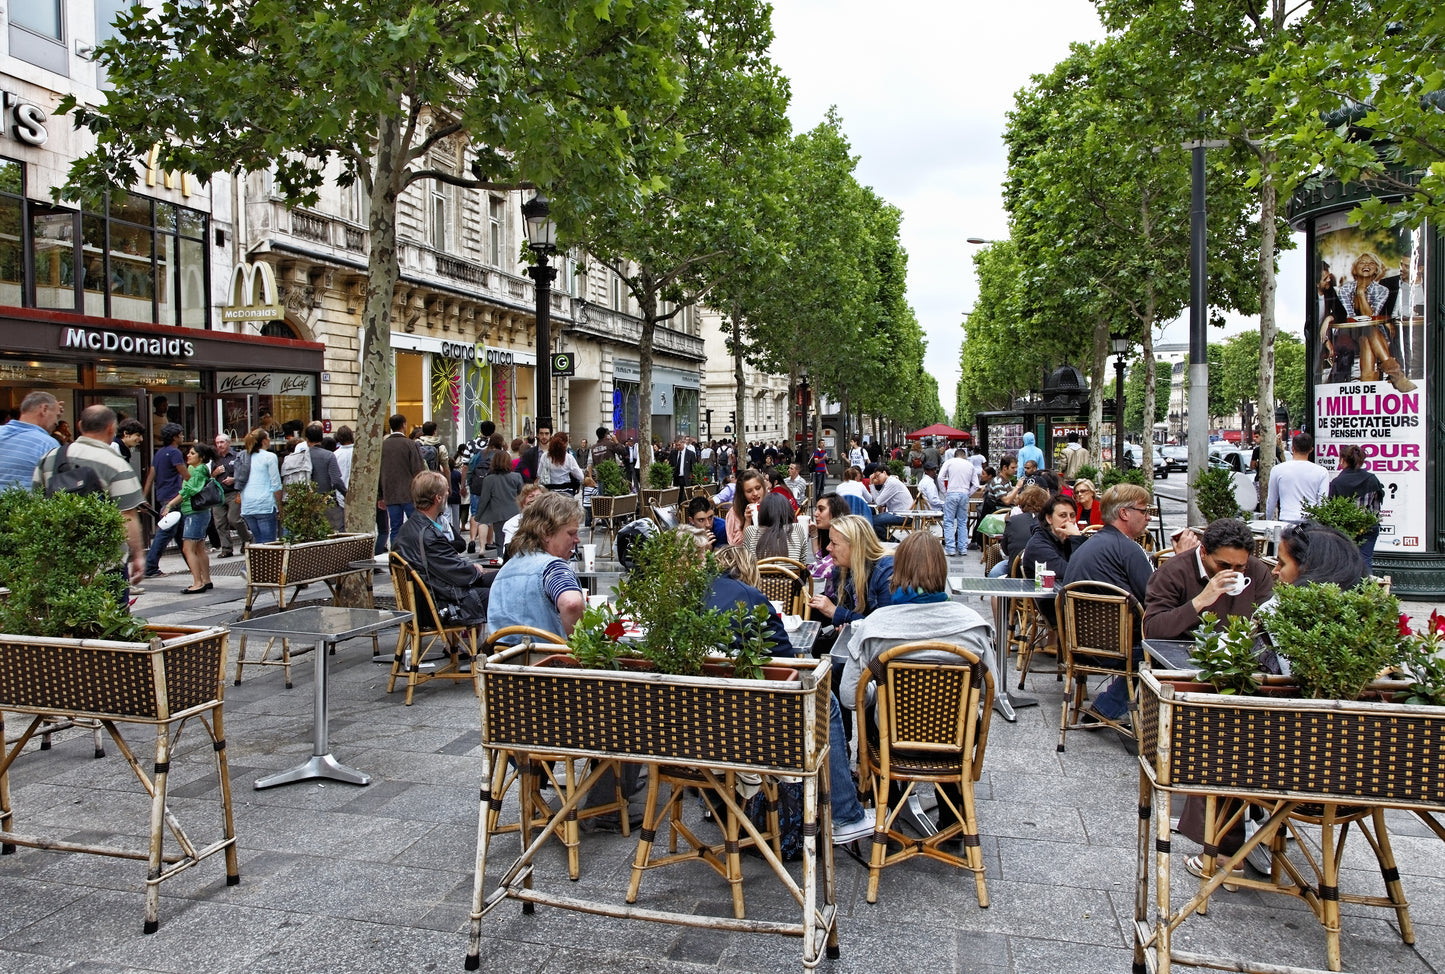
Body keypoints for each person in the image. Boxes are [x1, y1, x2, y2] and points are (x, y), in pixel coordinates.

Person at [839, 532, 994, 838]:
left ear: (897, 570)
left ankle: (891, 815)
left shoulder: (876, 626)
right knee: (960, 717)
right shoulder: (973, 625)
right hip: (955, 740)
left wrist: (879, 689)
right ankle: (953, 821)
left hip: (892, 740)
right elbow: (991, 691)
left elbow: (848, 695)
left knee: (876, 715)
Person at [1058, 483, 1155, 725]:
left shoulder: (1090, 543)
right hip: (1116, 651)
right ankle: (1107, 708)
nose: (1148, 517)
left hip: (1076, 645)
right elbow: (1154, 600)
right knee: (1164, 651)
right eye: (1144, 511)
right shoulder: (1130, 549)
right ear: (1124, 513)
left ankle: (1106, 707)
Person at [33, 405, 146, 590]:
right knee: (110, 615)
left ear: (79, 425)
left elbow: (36, 504)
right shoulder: (117, 463)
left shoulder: (50, 457)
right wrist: (138, 555)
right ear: (111, 428)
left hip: (59, 558)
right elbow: (127, 515)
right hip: (106, 561)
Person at [395, 470, 496, 631]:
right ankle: (504, 644)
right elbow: (456, 572)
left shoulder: (411, 526)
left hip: (431, 594)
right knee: (505, 592)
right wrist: (475, 570)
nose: (449, 493)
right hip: (439, 604)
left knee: (503, 577)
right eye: (446, 490)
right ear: (438, 498)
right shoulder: (428, 534)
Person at [1142, 518, 1274, 641]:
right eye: (1223, 565)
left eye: (1240, 567)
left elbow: (1269, 621)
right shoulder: (1173, 572)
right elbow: (1152, 629)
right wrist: (1200, 601)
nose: (1232, 572)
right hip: (1188, 654)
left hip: (1241, 655)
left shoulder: (1256, 570)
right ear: (1203, 553)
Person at [488, 491, 586, 637]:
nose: (577, 540)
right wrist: (580, 645)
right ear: (546, 533)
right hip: (546, 657)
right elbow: (572, 603)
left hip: (503, 656)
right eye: (571, 533)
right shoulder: (553, 567)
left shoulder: (505, 570)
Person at [1019, 493, 1088, 627]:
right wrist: (1076, 538)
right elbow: (1072, 573)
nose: (1069, 521)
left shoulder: (1064, 539)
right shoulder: (1039, 545)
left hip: (1072, 600)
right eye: (1063, 516)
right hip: (1056, 607)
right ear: (1049, 518)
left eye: (1072, 516)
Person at [707, 543, 791, 653]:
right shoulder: (750, 595)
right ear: (749, 568)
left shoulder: (693, 589)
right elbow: (783, 653)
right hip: (735, 667)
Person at [161, 443, 217, 594]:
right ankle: (206, 580)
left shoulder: (197, 470)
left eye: (192, 453)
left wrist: (170, 505)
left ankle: (198, 583)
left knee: (188, 548)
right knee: (199, 548)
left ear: (201, 457)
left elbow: (188, 490)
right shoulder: (201, 469)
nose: (188, 455)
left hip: (195, 513)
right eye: (189, 453)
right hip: (200, 512)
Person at [1328, 444, 1385, 573]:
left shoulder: (1338, 482)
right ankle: (1365, 591)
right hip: (1368, 528)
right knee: (1365, 562)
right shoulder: (1372, 479)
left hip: (1345, 530)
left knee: (1345, 563)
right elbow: (1376, 508)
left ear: (1342, 460)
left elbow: (1332, 511)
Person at [142, 423, 188, 577]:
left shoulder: (159, 453)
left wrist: (143, 497)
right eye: (180, 434)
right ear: (175, 437)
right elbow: (185, 474)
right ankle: (150, 567)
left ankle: (192, 563)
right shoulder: (175, 453)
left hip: (163, 496)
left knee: (181, 534)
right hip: (174, 498)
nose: (182, 437)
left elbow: (150, 476)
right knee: (165, 533)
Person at [0, 391, 61, 490]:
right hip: (24, 503)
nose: (56, 422)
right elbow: (55, 488)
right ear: (44, 409)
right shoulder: (47, 444)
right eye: (57, 416)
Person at [1264, 432, 1331, 522]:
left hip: (1286, 518)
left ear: (1292, 448)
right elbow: (1323, 502)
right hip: (1310, 521)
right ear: (1311, 450)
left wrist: (1268, 520)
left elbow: (1271, 500)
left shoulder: (1277, 469)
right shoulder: (1322, 472)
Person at [381, 413, 424, 549]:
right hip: (409, 493)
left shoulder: (382, 446)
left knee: (395, 528)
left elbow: (378, 473)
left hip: (390, 493)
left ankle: (396, 555)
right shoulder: (410, 444)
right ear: (404, 425)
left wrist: (380, 495)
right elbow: (418, 470)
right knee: (415, 526)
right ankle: (414, 552)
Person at [991, 485, 1050, 578]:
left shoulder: (1012, 520)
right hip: (1044, 571)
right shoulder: (1050, 522)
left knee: (995, 572)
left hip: (1016, 573)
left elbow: (1005, 552)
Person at [473, 445, 523, 556]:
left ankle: (501, 559)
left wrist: (478, 516)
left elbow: (484, 500)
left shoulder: (489, 480)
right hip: (515, 512)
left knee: (500, 541)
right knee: (515, 539)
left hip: (498, 514)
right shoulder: (517, 477)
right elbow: (521, 495)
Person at [300, 423, 348, 532]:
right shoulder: (329, 455)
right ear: (321, 438)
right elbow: (336, 480)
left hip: (306, 501)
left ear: (306, 439)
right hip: (326, 500)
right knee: (335, 531)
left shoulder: (300, 455)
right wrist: (346, 493)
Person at [239, 427, 283, 544]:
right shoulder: (270, 457)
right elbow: (276, 484)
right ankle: (269, 563)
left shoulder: (245, 457)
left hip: (248, 505)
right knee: (269, 543)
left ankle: (258, 562)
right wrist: (280, 506)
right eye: (268, 438)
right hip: (265, 503)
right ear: (264, 441)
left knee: (258, 541)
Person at [211, 433, 251, 558]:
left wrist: (234, 479)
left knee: (234, 519)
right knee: (220, 522)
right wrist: (215, 473)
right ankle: (226, 548)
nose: (219, 445)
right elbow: (209, 478)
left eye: (222, 442)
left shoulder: (237, 456)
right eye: (217, 443)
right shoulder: (215, 459)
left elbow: (244, 474)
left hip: (234, 492)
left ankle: (248, 538)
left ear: (228, 443)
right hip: (219, 494)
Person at [745, 491, 808, 562]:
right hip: (791, 573)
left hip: (758, 573)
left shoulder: (751, 531)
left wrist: (747, 520)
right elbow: (802, 563)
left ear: (762, 513)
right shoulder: (797, 529)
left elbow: (746, 561)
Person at [938, 447, 979, 556]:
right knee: (962, 522)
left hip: (952, 493)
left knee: (949, 522)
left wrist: (944, 492)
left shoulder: (949, 462)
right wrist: (968, 493)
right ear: (964, 455)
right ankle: (962, 548)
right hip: (964, 494)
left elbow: (940, 477)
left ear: (955, 455)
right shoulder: (970, 465)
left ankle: (950, 548)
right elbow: (976, 484)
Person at [866, 463, 913, 541]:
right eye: (875, 477)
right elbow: (877, 500)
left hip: (902, 515)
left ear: (884, 473)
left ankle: (893, 541)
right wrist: (874, 485)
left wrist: (871, 483)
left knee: (871, 521)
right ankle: (890, 539)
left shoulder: (892, 483)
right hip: (898, 513)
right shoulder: (887, 483)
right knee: (872, 519)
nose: (877, 478)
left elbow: (878, 502)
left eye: (878, 476)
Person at [724, 469, 768, 546]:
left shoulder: (771, 505)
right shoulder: (734, 513)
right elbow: (735, 546)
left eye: (758, 488)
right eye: (749, 491)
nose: (755, 493)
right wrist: (747, 521)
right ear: (742, 494)